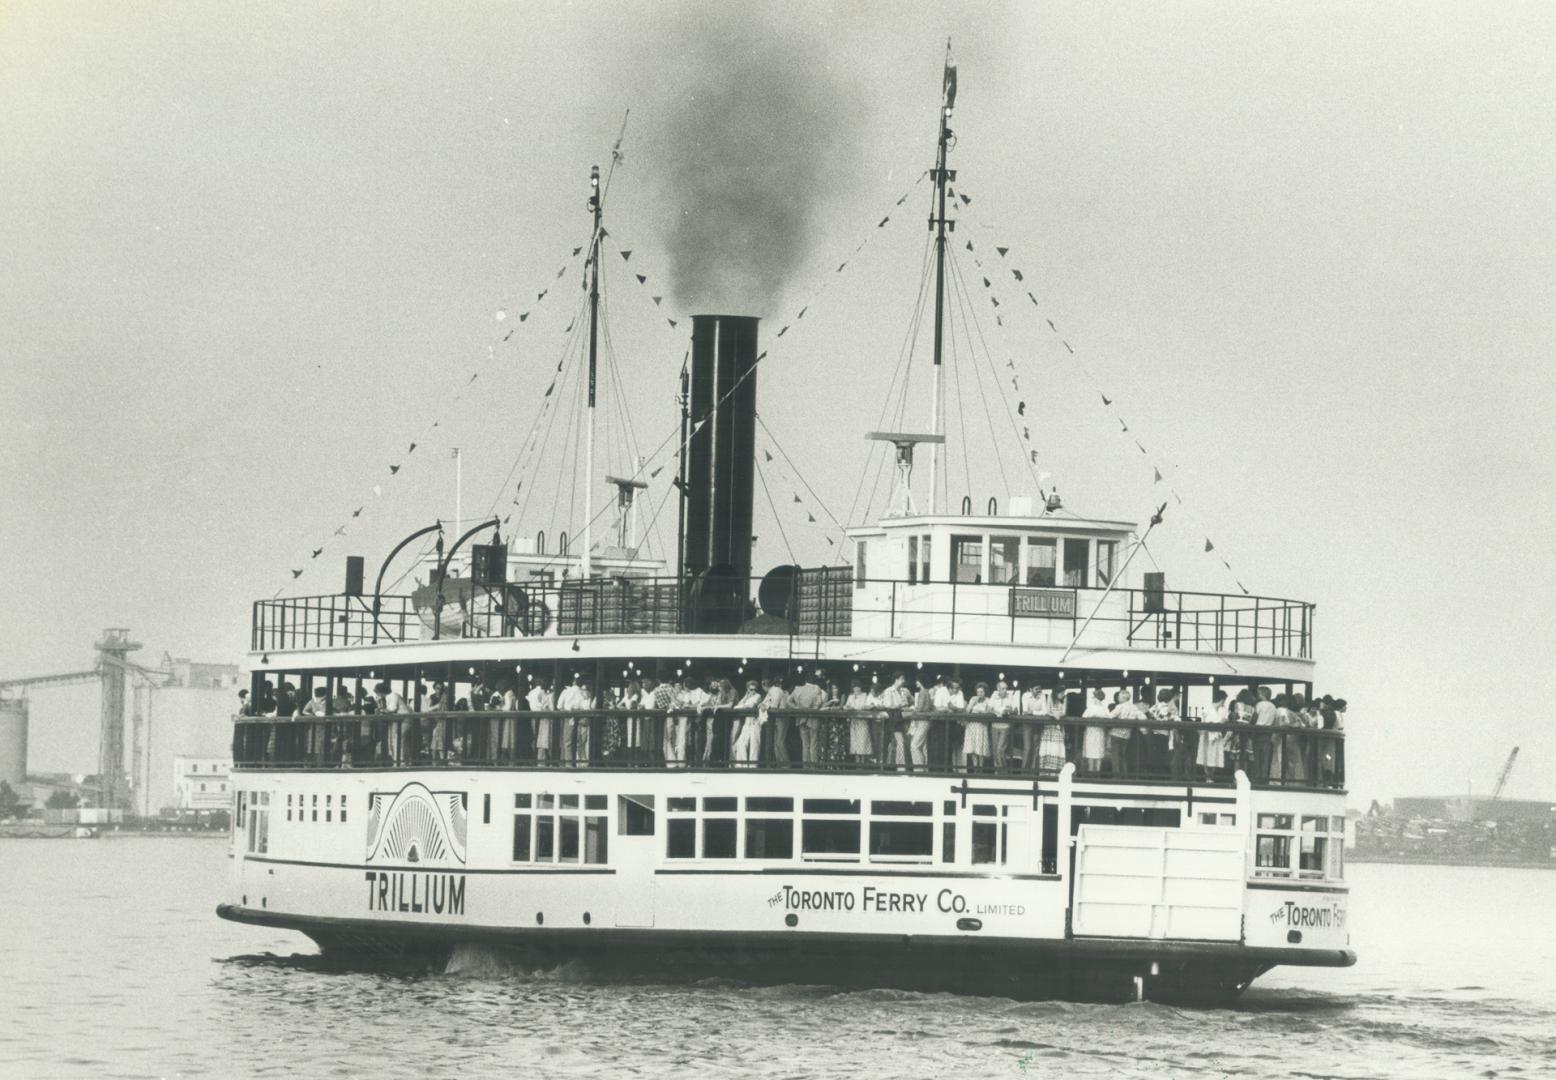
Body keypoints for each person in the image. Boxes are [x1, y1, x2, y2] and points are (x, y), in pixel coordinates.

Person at [788, 672, 826, 765]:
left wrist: (797, 708)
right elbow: (818, 704)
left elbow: (788, 701)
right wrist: (811, 709)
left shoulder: (797, 689)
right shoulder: (817, 688)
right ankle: (813, 767)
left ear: (805, 681)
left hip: (801, 719)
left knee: (805, 744)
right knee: (814, 744)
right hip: (813, 719)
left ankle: (806, 766)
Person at [878, 672, 911, 769]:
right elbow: (887, 705)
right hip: (893, 719)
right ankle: (899, 766)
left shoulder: (903, 691)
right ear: (896, 679)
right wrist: (900, 705)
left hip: (901, 719)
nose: (903, 681)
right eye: (901, 679)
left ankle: (894, 765)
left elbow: (910, 701)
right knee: (898, 742)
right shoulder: (889, 691)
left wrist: (907, 703)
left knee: (898, 743)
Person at [1197, 689, 1228, 781]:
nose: (1224, 702)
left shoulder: (1223, 710)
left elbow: (1224, 720)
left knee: (1215, 756)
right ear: (1221, 699)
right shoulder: (1207, 708)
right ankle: (1207, 776)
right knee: (1206, 755)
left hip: (1217, 735)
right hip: (1207, 734)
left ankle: (1212, 776)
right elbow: (1204, 721)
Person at [988, 679, 1018, 771]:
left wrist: (1010, 710)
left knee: (1000, 750)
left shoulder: (1010, 697)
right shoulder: (994, 695)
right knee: (995, 750)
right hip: (995, 726)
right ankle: (998, 772)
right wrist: (999, 712)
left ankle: (1003, 772)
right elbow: (989, 709)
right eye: (1003, 688)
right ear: (998, 689)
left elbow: (1016, 710)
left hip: (1005, 726)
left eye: (1006, 688)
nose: (1005, 690)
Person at [732, 679, 764, 764]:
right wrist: (746, 696)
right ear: (747, 689)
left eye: (754, 689)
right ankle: (742, 765)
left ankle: (753, 766)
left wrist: (742, 706)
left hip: (755, 723)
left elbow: (751, 706)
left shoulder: (758, 696)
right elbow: (737, 705)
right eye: (751, 689)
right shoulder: (747, 697)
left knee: (754, 746)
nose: (753, 691)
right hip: (747, 723)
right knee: (741, 743)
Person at [963, 682, 993, 770]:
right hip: (972, 725)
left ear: (985, 692)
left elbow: (989, 712)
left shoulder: (988, 700)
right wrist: (972, 703)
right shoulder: (973, 699)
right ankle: (975, 767)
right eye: (978, 692)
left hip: (981, 726)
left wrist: (982, 713)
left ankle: (981, 768)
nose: (980, 694)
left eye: (982, 692)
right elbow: (967, 711)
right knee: (973, 748)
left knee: (980, 748)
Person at [907, 676, 933, 770]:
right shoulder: (927, 692)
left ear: (921, 681)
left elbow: (920, 708)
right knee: (920, 746)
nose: (916, 682)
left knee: (914, 746)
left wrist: (911, 709)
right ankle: (922, 768)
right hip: (925, 721)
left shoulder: (923, 692)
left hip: (922, 721)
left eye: (917, 681)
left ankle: (918, 769)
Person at [1081, 688, 1110, 775]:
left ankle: (1097, 772)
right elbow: (1084, 716)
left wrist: (1095, 716)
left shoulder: (1104, 708)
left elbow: (1108, 717)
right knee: (1091, 752)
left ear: (1097, 698)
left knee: (1098, 752)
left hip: (1098, 731)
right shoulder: (1092, 707)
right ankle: (1091, 772)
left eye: (1093, 697)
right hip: (1091, 731)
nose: (1092, 699)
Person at [527, 678, 556, 763]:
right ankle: (542, 759)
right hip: (543, 718)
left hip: (537, 717)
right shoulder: (542, 693)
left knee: (538, 738)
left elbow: (533, 706)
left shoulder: (532, 692)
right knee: (543, 738)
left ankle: (538, 759)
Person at [845, 680, 873, 765]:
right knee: (855, 742)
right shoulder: (850, 696)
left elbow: (865, 706)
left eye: (857, 687)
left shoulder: (865, 696)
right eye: (854, 687)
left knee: (863, 742)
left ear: (860, 687)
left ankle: (863, 763)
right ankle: (857, 763)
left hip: (862, 722)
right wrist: (847, 708)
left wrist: (854, 708)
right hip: (854, 722)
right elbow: (846, 706)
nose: (856, 689)